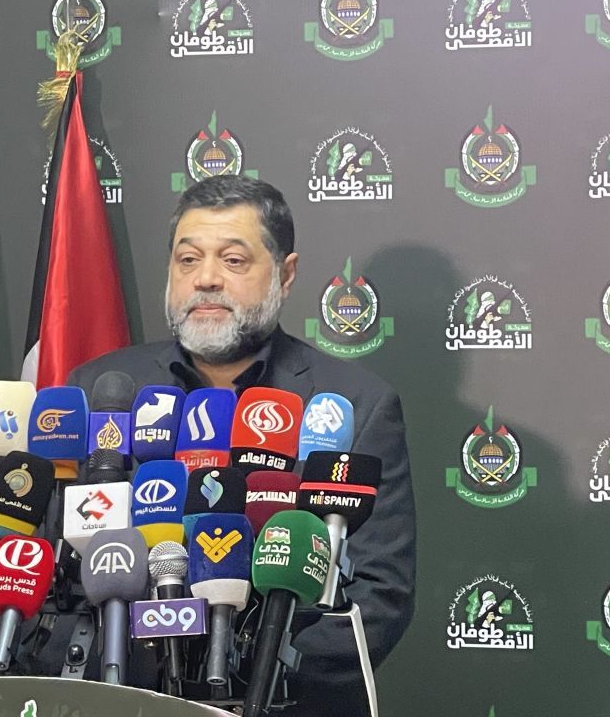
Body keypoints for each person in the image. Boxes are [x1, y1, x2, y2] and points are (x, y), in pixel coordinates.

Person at [68, 174, 415, 717]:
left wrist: (245, 686)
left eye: (233, 261)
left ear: (285, 274)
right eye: (188, 259)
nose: (206, 279)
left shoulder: (353, 403)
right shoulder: (100, 391)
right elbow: (63, 570)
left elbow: (377, 596)